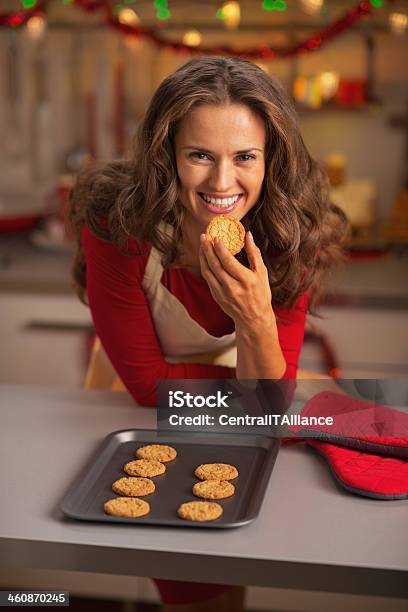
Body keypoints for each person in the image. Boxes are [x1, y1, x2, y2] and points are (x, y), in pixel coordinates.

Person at [68, 56, 348, 612]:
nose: (223, 183)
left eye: (245, 157)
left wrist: (257, 321)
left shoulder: (293, 233)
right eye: (200, 155)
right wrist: (262, 386)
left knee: (232, 561)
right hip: (130, 406)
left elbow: (266, 404)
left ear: (272, 159)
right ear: (167, 157)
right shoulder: (118, 225)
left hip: (235, 402)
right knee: (194, 588)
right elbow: (149, 385)